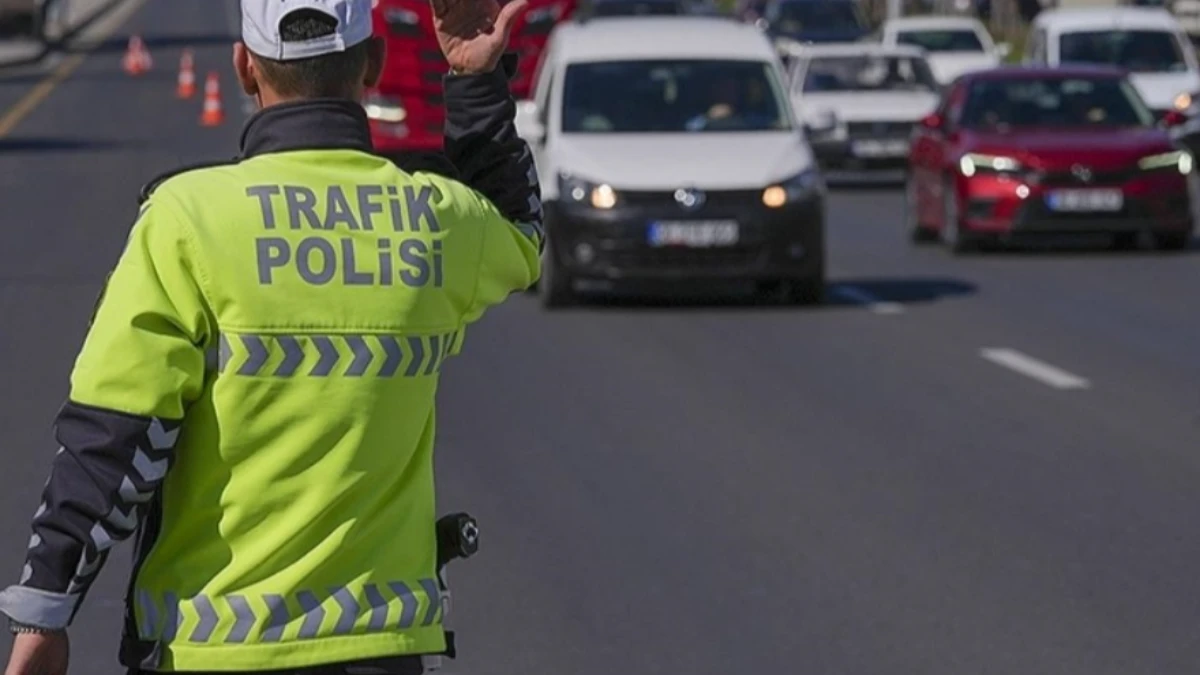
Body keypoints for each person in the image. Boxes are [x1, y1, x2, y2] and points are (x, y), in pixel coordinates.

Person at [0, 0, 542, 671]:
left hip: (211, 650)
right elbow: (522, 232)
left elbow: (115, 436)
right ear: (373, 63)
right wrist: (476, 80)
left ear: (244, 68)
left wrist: (46, 608)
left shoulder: (187, 221)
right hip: (383, 649)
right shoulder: (432, 218)